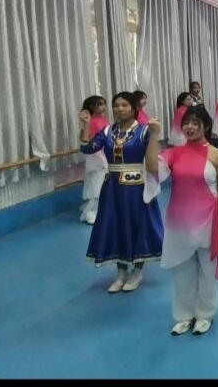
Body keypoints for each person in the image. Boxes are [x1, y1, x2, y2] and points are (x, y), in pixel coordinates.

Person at [145, 107, 218, 336]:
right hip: (179, 220)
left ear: (206, 126)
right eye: (186, 123)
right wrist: (154, 135)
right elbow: (152, 168)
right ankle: (184, 315)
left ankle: (205, 314)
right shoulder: (174, 153)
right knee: (182, 270)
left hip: (210, 219)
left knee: (208, 270)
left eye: (195, 123)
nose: (189, 127)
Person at [79, 92, 164, 293]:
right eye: (116, 105)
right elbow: (88, 148)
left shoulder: (144, 131)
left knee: (138, 226)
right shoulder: (108, 131)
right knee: (115, 226)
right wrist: (86, 125)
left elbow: (153, 162)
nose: (119, 108)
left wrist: (155, 135)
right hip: (112, 189)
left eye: (124, 105)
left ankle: (138, 270)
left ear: (133, 108)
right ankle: (121, 272)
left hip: (137, 189)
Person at [79, 95, 109, 225]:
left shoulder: (105, 120)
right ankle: (90, 214)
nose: (103, 107)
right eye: (100, 104)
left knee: (101, 185)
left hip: (105, 154)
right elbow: (88, 141)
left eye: (104, 104)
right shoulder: (91, 122)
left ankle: (96, 210)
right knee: (97, 187)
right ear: (92, 107)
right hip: (96, 155)